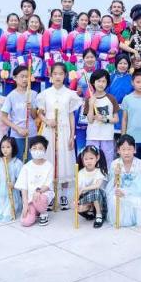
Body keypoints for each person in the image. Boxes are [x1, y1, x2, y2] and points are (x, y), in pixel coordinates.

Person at [35, 63, 83, 209]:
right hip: (49, 131)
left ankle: (63, 194)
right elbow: (40, 113)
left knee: (65, 161)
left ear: (65, 76)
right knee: (49, 160)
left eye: (61, 74)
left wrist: (72, 135)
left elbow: (71, 116)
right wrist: (47, 121)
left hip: (64, 131)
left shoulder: (70, 94)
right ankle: (49, 194)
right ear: (50, 75)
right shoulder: (45, 94)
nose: (58, 76)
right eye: (55, 74)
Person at [106, 135, 141, 227]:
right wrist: (116, 176)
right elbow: (110, 186)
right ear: (118, 150)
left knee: (138, 200)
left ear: (134, 150)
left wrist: (126, 192)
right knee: (114, 199)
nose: (126, 152)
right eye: (123, 149)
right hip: (118, 191)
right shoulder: (114, 164)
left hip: (136, 192)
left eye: (129, 149)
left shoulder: (140, 164)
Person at [1, 65, 39, 160]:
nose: (25, 79)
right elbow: (3, 117)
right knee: (18, 161)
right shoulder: (11, 96)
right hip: (16, 134)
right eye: (22, 76)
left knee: (32, 160)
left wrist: (31, 108)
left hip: (31, 133)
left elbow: (34, 116)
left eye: (27, 76)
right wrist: (18, 129)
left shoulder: (33, 94)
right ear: (15, 78)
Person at [15, 136, 55, 226]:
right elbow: (24, 187)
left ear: (45, 150)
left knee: (40, 198)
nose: (37, 150)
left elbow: (47, 185)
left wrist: (38, 191)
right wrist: (25, 205)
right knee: (25, 221)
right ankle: (36, 210)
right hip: (30, 199)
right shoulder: (26, 167)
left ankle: (43, 213)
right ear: (30, 150)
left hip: (43, 195)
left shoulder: (49, 166)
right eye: (34, 148)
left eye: (40, 148)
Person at [84, 69, 120, 165]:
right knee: (91, 160)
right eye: (98, 81)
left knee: (107, 161)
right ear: (93, 82)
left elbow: (116, 119)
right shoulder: (89, 99)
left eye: (104, 81)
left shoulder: (111, 98)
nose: (101, 84)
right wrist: (91, 105)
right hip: (92, 135)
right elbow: (90, 120)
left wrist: (105, 119)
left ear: (107, 83)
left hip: (107, 136)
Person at [0, 136, 23, 222]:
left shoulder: (17, 163)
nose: (5, 150)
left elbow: (21, 181)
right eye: (3, 147)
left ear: (13, 148)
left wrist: (14, 185)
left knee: (7, 215)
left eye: (8, 147)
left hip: (12, 195)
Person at [69, 48, 97, 153]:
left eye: (92, 57)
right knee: (80, 139)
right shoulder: (76, 73)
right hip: (81, 109)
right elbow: (69, 93)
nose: (90, 59)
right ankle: (80, 159)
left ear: (95, 58)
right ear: (83, 59)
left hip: (96, 108)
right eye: (87, 57)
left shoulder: (100, 73)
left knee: (94, 140)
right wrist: (78, 92)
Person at [76, 145, 108, 228]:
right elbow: (78, 189)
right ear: (82, 159)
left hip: (99, 197)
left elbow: (97, 185)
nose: (89, 161)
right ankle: (90, 210)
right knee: (79, 208)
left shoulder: (100, 171)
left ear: (97, 158)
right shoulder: (80, 173)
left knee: (95, 191)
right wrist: (76, 200)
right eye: (86, 159)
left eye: (91, 158)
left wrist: (84, 189)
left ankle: (99, 215)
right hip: (86, 196)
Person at [0, 13, 24, 92]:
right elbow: (0, 54)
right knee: (8, 88)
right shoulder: (4, 35)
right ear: (7, 22)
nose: (13, 22)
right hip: (7, 65)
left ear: (18, 22)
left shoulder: (21, 35)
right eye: (11, 20)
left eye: (15, 20)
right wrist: (2, 69)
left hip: (19, 64)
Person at [18, 14, 45, 89]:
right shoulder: (23, 35)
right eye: (32, 22)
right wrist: (22, 66)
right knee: (25, 88)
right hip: (26, 64)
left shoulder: (41, 36)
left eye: (36, 22)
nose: (34, 24)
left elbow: (43, 53)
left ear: (39, 24)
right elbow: (19, 53)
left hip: (38, 65)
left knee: (36, 88)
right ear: (28, 23)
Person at [121, 4, 141, 71]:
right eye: (139, 18)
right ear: (135, 20)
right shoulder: (128, 30)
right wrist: (134, 52)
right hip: (129, 64)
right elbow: (121, 44)